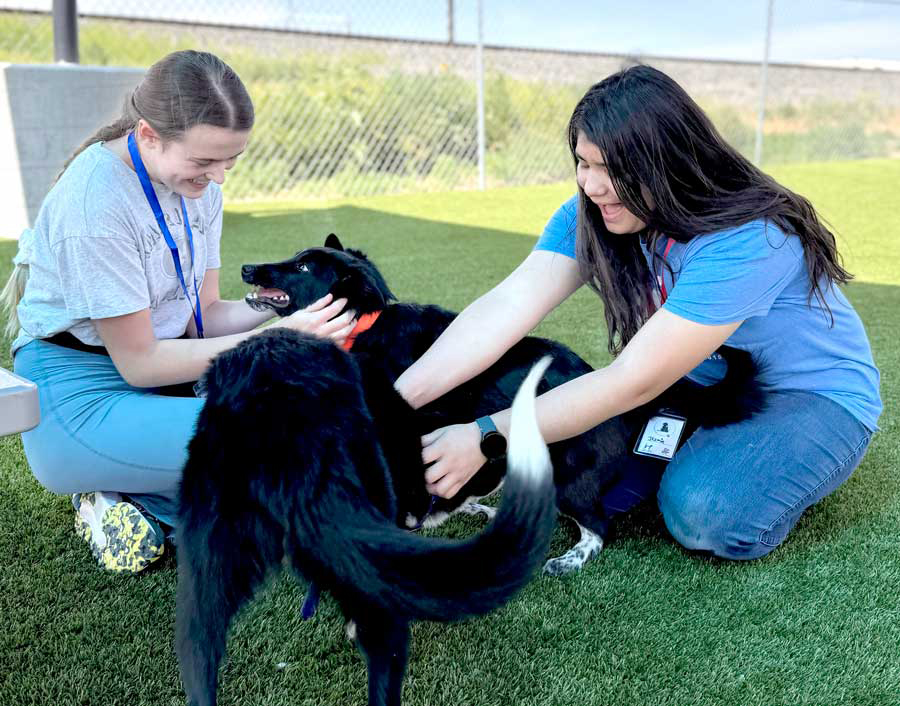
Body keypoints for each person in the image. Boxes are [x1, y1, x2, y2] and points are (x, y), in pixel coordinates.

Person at [393, 64, 882, 561]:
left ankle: (773, 462)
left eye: (613, 169)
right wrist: (389, 405)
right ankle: (685, 440)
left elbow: (633, 379)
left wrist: (487, 435)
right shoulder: (595, 214)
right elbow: (508, 304)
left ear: (669, 163)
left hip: (809, 396)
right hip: (699, 381)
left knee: (704, 513)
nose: (592, 185)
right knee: (598, 463)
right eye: (584, 163)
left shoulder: (751, 237)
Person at [3, 50, 355, 574]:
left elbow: (203, 316)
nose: (217, 178)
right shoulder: (96, 203)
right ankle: (125, 495)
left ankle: (140, 502)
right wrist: (282, 340)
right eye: (204, 162)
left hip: (163, 370)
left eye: (230, 161)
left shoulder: (196, 189)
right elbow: (141, 363)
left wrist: (275, 304)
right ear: (148, 135)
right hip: (82, 397)